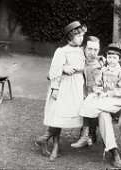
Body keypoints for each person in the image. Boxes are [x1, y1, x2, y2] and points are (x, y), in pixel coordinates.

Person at [76, 42, 121, 169]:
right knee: (103, 114)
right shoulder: (102, 71)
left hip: (118, 103)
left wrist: (108, 93)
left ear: (119, 59)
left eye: (115, 57)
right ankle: (113, 151)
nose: (111, 60)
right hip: (106, 104)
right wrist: (98, 90)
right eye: (109, 57)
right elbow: (97, 85)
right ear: (106, 58)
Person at [35, 21, 87, 162]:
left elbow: (88, 65)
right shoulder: (62, 51)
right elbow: (54, 70)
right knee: (58, 114)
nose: (81, 38)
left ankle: (44, 138)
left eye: (82, 35)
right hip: (64, 85)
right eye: (78, 36)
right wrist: (55, 87)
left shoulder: (82, 50)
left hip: (77, 86)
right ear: (70, 37)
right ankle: (55, 145)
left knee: (69, 114)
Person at [65, 35, 105, 148]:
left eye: (95, 50)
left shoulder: (102, 62)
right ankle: (88, 134)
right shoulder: (78, 61)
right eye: (90, 49)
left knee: (94, 103)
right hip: (80, 94)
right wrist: (64, 67)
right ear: (84, 48)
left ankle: (89, 134)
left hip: (97, 95)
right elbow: (55, 70)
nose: (92, 52)